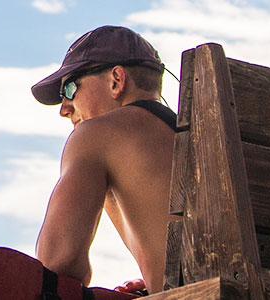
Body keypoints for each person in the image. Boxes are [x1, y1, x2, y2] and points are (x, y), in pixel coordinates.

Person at [27, 25, 181, 294]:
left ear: (116, 81)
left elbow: (57, 263)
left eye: (70, 88)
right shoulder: (196, 138)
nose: (64, 108)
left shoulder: (97, 134)